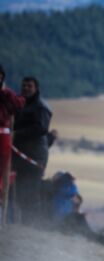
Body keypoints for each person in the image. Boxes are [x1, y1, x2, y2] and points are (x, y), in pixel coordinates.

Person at [12, 76, 52, 225]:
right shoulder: (18, 103)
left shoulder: (41, 106)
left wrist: (16, 134)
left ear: (36, 88)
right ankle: (22, 223)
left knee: (31, 190)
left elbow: (41, 128)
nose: (26, 88)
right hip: (19, 153)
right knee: (19, 188)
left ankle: (34, 225)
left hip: (36, 156)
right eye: (24, 85)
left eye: (29, 86)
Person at [0, 64, 25, 222]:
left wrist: (7, 95)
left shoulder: (6, 94)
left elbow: (18, 104)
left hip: (3, 134)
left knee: (3, 170)